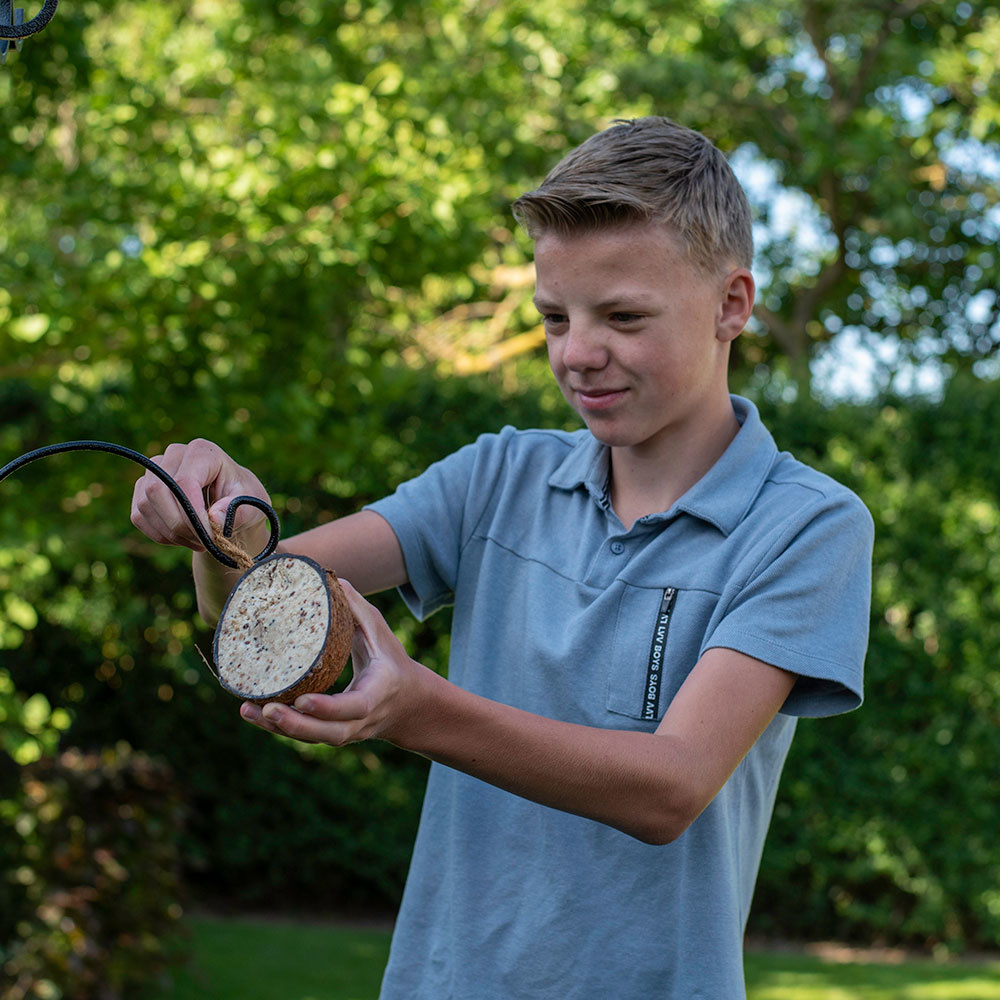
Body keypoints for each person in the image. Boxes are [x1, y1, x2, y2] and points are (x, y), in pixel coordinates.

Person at [131, 116, 874, 999]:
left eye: (623, 317)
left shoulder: (806, 524)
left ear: (733, 305)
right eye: (554, 317)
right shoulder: (498, 476)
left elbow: (669, 789)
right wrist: (223, 529)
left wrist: (411, 710)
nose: (577, 353)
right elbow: (253, 603)